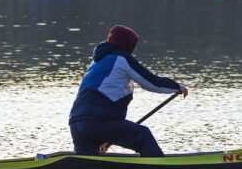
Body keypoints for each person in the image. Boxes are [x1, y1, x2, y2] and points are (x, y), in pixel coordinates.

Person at [68, 25, 188, 157]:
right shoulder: (121, 58)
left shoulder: (96, 62)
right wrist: (176, 86)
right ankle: (162, 168)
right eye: (133, 45)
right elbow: (150, 82)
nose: (134, 49)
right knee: (142, 135)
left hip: (76, 124)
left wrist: (105, 137)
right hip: (99, 121)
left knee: (89, 164)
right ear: (125, 43)